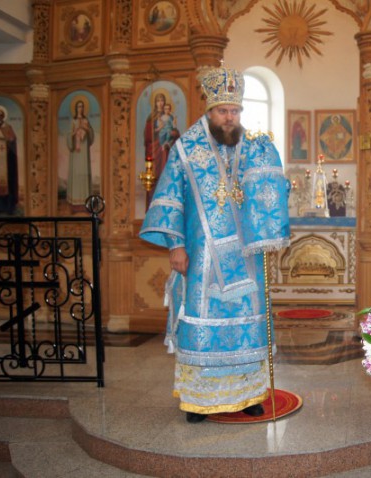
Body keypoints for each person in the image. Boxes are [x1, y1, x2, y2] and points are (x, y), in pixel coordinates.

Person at [140, 66, 290, 423]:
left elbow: (270, 191)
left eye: (235, 111)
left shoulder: (253, 146)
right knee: (203, 321)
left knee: (245, 323)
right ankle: (199, 400)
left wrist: (273, 188)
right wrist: (176, 245)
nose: (230, 117)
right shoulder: (186, 149)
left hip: (245, 255)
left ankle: (247, 395)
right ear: (209, 111)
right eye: (223, 111)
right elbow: (170, 198)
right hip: (201, 256)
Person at [66, 100, 94, 211]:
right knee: (76, 175)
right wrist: (74, 132)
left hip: (84, 154)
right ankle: (74, 204)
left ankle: (85, 203)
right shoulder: (73, 121)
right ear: (75, 108)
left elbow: (91, 136)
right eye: (78, 107)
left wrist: (87, 129)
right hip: (76, 154)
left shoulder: (86, 121)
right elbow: (69, 136)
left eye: (82, 107)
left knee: (84, 175)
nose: (80, 108)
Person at [0, 106, 18, 214]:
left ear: (3, 116)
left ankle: (8, 207)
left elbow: (13, 141)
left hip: (6, 162)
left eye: (0, 115)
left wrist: (10, 140)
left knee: (9, 183)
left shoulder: (8, 127)